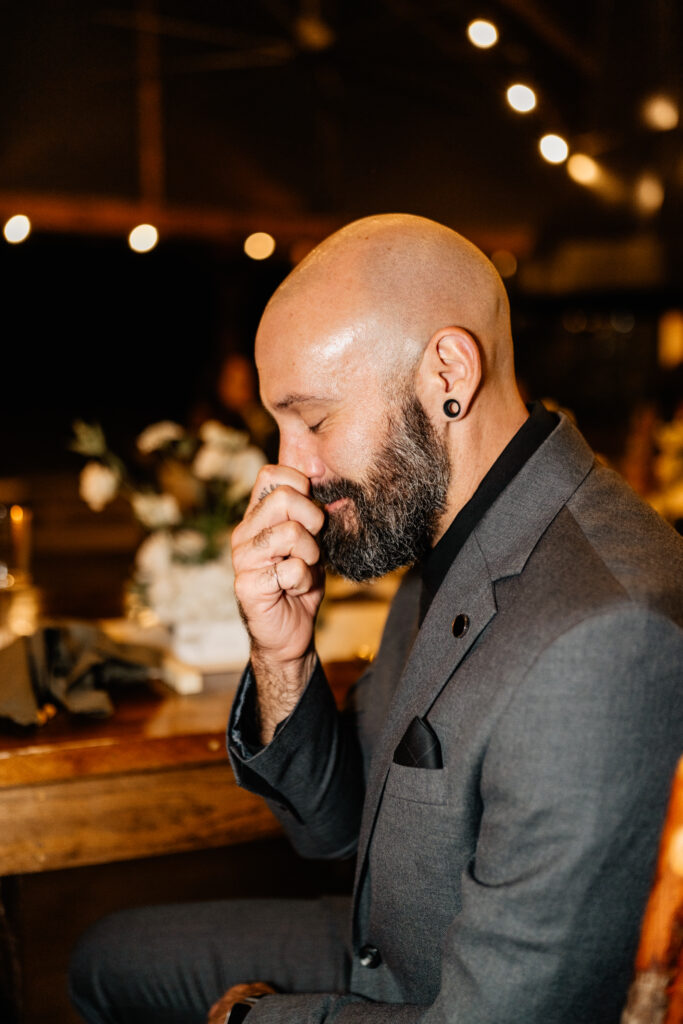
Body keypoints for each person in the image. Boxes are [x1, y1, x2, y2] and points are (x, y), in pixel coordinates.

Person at [70, 214, 683, 1024]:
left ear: (447, 373)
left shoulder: (605, 635)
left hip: (440, 993)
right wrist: (282, 658)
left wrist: (255, 1019)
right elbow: (335, 832)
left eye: (314, 420)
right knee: (104, 960)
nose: (289, 469)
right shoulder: (456, 523)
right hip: (385, 940)